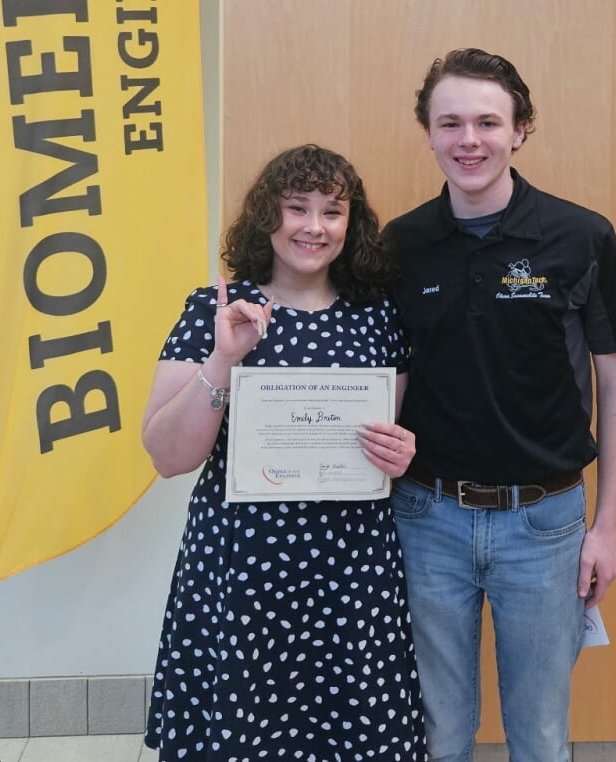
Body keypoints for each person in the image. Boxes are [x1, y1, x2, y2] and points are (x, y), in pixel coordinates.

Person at [383, 49, 616, 762]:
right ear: (428, 132)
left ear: (520, 129)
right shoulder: (401, 246)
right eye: (450, 123)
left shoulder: (581, 237)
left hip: (546, 524)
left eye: (487, 122)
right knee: (439, 734)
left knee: (539, 735)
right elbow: (383, 375)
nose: (468, 140)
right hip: (425, 519)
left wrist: (607, 526)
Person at [141, 144, 426, 761]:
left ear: (351, 224)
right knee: (243, 732)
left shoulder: (378, 317)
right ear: (267, 215)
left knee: (352, 732)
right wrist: (224, 359)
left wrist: (401, 451)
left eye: (332, 211)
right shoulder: (216, 310)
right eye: (298, 208)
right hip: (243, 564)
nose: (314, 227)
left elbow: (392, 435)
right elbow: (167, 456)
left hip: (353, 568)